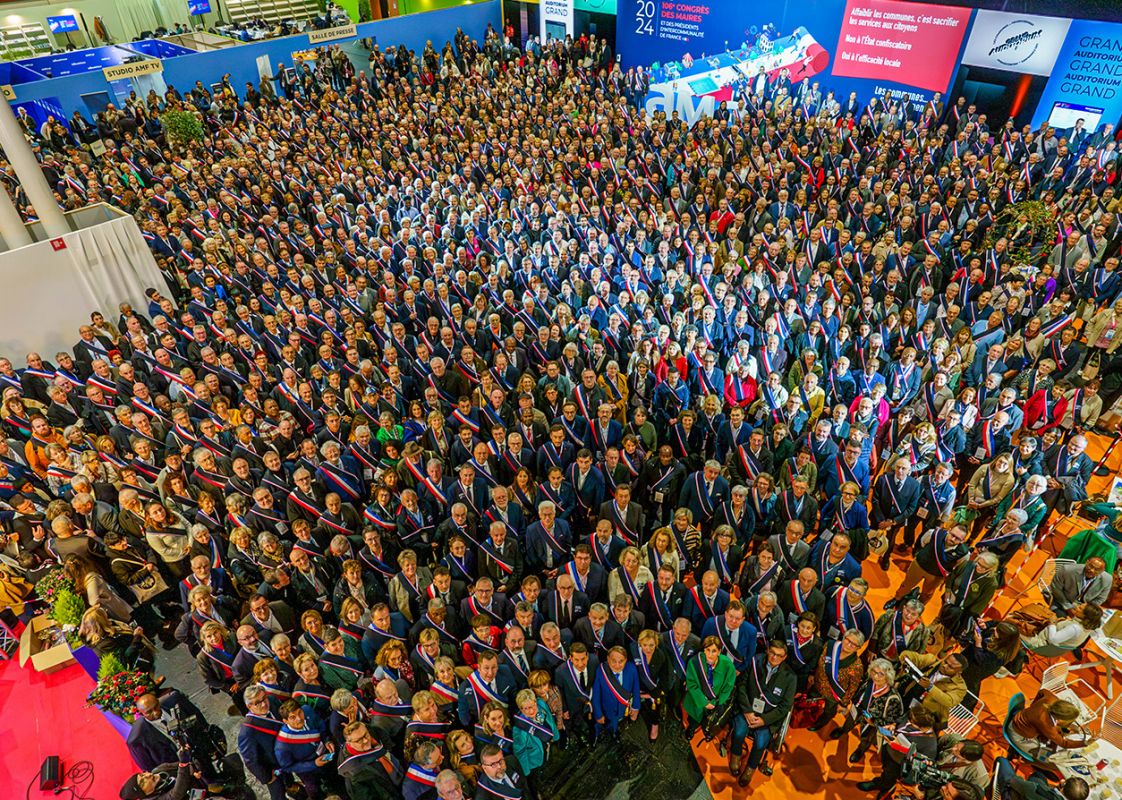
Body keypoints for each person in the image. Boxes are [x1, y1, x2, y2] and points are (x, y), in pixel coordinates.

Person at [729, 639, 795, 784]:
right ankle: (735, 755)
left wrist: (764, 720)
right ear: (767, 651)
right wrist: (747, 711)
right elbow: (741, 686)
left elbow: (785, 707)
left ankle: (750, 769)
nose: (774, 657)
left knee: (760, 743)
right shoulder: (755, 662)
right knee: (739, 732)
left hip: (768, 718)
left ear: (784, 657)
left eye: (779, 655)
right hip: (747, 709)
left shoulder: (790, 677)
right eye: (772, 653)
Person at [1008, 690, 1090, 761]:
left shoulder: (1051, 700)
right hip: (1019, 734)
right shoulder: (1047, 725)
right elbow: (1064, 743)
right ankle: (1025, 760)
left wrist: (1033, 705)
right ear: (1060, 719)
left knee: (1049, 740)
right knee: (1045, 756)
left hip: (1021, 719)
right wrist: (1085, 743)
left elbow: (1042, 691)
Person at [683, 635, 736, 737]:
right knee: (694, 717)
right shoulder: (694, 662)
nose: (710, 654)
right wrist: (703, 702)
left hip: (715, 701)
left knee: (709, 720)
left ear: (719, 651)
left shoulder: (727, 665)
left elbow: (728, 686)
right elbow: (692, 684)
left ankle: (707, 728)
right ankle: (692, 727)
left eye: (714, 651)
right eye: (708, 650)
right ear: (704, 650)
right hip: (697, 700)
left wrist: (716, 702)